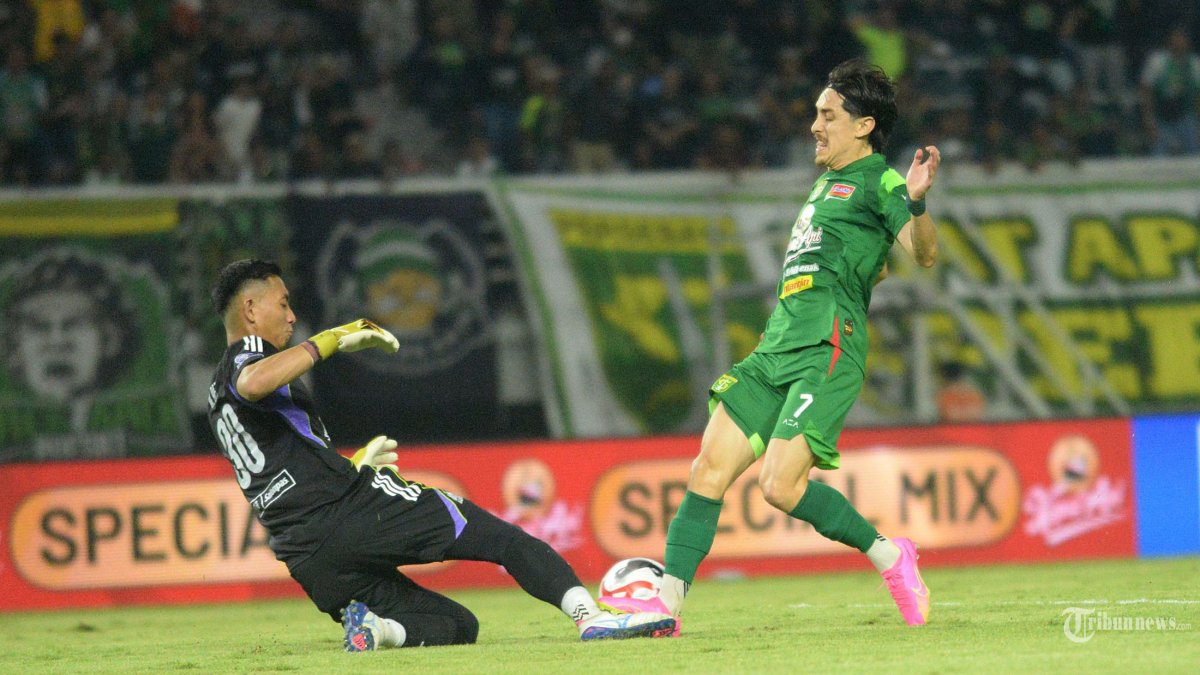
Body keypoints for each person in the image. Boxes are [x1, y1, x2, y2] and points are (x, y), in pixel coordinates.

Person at [206, 259, 674, 651]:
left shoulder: (213, 393)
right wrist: (333, 338)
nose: (291, 316)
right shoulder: (248, 356)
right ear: (250, 308)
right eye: (283, 304)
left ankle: (379, 630)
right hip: (346, 510)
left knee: (456, 627)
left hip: (308, 555)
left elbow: (275, 463)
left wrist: (349, 466)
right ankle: (591, 617)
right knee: (503, 539)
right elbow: (254, 381)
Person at [651, 59, 941, 630]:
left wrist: (917, 203)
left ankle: (891, 555)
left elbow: (923, 254)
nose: (814, 124)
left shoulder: (881, 180)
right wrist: (858, 273)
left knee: (779, 486)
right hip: (775, 348)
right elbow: (870, 268)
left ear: (862, 126)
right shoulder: (823, 185)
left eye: (827, 114)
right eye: (815, 113)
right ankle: (663, 609)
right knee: (707, 467)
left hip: (827, 348)